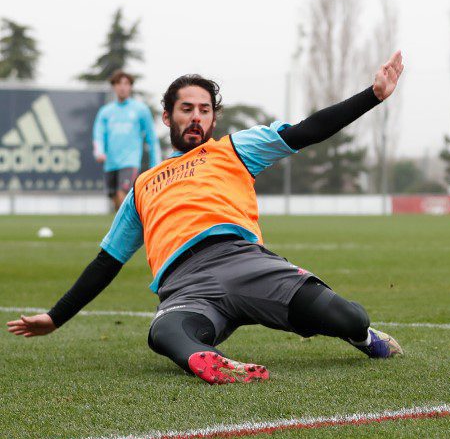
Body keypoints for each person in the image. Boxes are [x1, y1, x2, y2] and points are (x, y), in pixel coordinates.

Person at [7, 52, 406, 383]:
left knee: (349, 316)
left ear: (213, 118)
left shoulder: (234, 149)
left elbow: (308, 131)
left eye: (204, 110)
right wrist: (56, 317)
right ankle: (210, 361)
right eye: (186, 109)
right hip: (185, 284)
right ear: (168, 117)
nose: (196, 117)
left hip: (246, 263)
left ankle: (362, 336)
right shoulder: (143, 186)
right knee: (164, 331)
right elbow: (107, 261)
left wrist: (372, 95)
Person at [92, 70, 161, 209]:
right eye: (119, 83)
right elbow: (98, 134)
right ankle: (125, 226)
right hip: (110, 163)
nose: (122, 87)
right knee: (115, 198)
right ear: (114, 87)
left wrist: (156, 163)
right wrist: (99, 152)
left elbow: (151, 138)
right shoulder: (105, 112)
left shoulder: (140, 110)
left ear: (130, 87)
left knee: (122, 192)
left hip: (130, 161)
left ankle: (129, 227)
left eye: (126, 83)